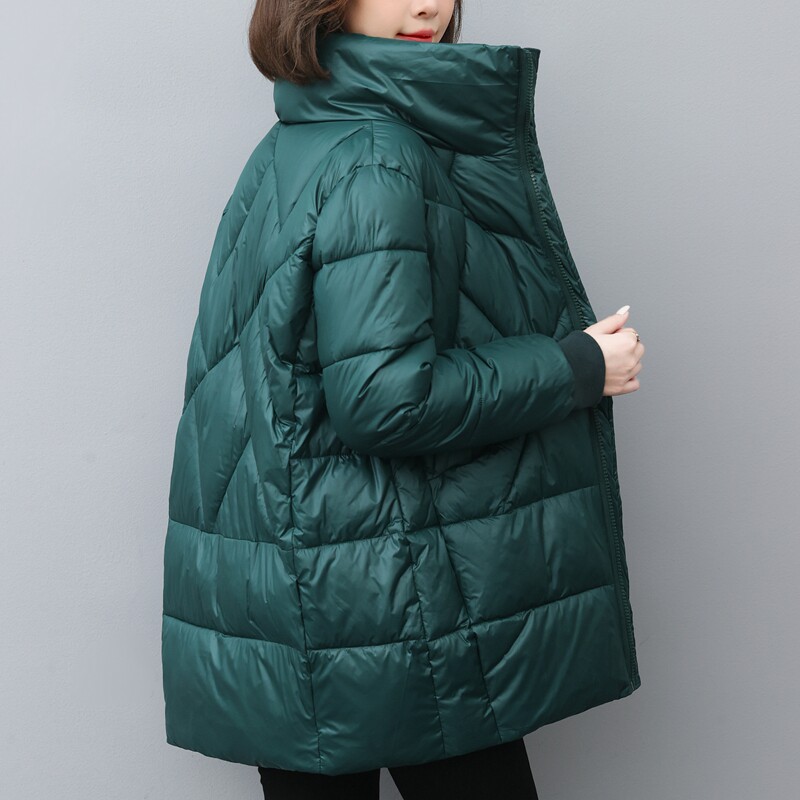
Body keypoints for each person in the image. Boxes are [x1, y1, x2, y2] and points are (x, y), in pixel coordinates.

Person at [160, 0, 646, 798]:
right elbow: (386, 401)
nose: (428, 3)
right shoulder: (377, 155)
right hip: (384, 602)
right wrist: (577, 367)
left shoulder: (296, 139)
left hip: (293, 595)